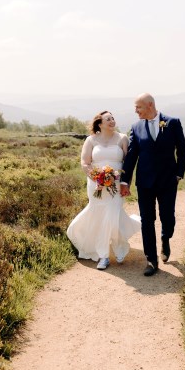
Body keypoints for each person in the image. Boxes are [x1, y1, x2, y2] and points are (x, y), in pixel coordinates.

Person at [120, 93, 185, 276]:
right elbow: (132, 155)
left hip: (168, 181)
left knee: (167, 217)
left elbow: (182, 151)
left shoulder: (172, 123)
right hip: (145, 182)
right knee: (147, 221)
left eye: (138, 107)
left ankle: (166, 238)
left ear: (150, 105)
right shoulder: (136, 127)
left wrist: (178, 175)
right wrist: (124, 180)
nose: (135, 111)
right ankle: (151, 260)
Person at [67, 111, 141, 270]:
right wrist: (97, 178)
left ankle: (119, 246)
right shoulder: (91, 140)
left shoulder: (122, 138)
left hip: (116, 184)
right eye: (108, 119)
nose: (112, 121)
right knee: (100, 216)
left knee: (113, 216)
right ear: (99, 124)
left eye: (113, 118)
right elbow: (85, 163)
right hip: (97, 186)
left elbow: (128, 163)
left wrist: (125, 183)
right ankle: (103, 256)